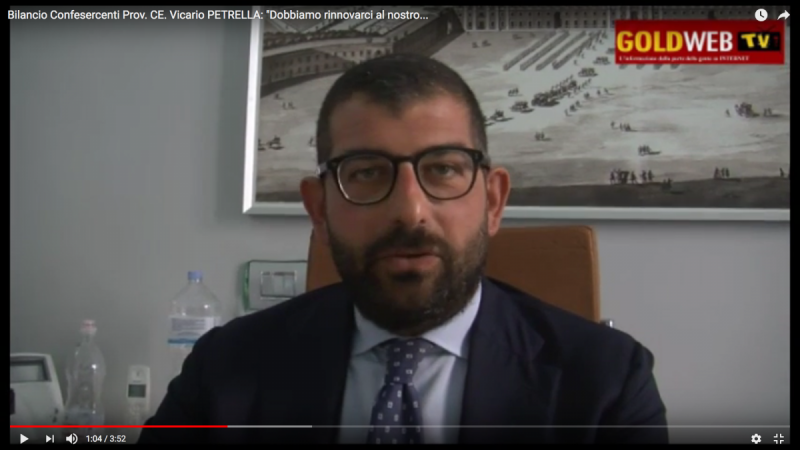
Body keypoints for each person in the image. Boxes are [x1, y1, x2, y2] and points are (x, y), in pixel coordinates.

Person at [138, 54, 668, 444]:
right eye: (367, 173)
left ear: (493, 201)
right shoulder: (225, 369)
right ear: (319, 209)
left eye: (443, 169)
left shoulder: (606, 382)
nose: (411, 211)